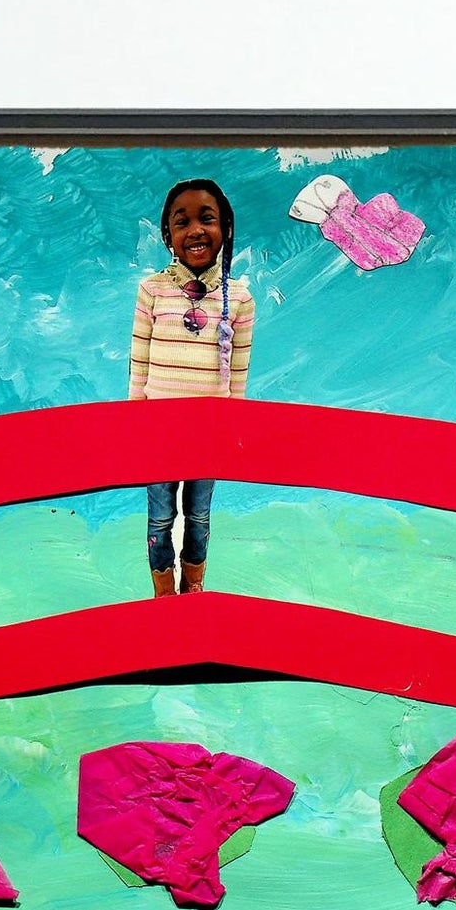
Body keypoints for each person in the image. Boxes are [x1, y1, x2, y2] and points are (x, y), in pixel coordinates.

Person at [127, 178, 255, 597]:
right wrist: (135, 423)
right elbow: (138, 363)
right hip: (157, 432)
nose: (195, 230)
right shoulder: (151, 290)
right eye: (182, 222)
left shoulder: (239, 298)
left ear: (226, 229)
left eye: (207, 219)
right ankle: (163, 595)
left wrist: (233, 429)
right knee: (160, 519)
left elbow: (238, 374)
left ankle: (193, 589)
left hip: (209, 434)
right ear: (168, 235)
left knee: (198, 518)